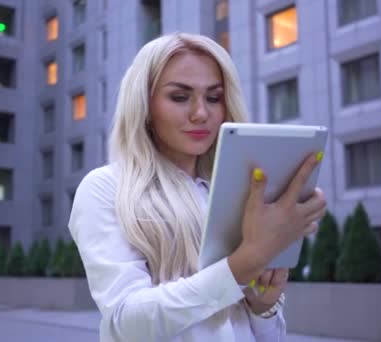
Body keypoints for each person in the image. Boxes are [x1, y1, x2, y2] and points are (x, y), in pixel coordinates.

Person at [68, 32, 326, 342]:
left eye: (214, 97)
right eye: (180, 96)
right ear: (144, 105)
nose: (201, 113)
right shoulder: (105, 188)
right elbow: (127, 321)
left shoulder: (231, 193)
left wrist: (263, 307)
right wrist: (243, 264)